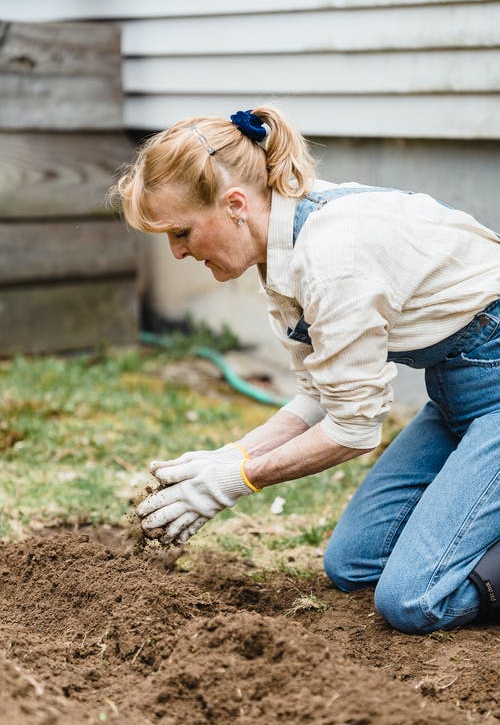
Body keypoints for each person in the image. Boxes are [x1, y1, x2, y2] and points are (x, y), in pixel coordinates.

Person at [113, 107, 500, 634]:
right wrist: (232, 455)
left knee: (412, 601)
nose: (177, 252)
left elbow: (355, 430)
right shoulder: (280, 253)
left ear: (234, 206)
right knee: (354, 565)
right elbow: (320, 396)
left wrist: (239, 480)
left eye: (181, 232)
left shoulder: (333, 256)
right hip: (459, 393)